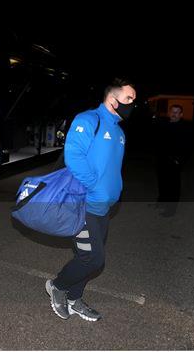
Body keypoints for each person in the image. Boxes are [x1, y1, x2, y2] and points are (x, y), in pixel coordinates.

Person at [46, 78, 136, 321]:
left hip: (103, 208)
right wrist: (95, 186)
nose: (132, 105)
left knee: (87, 258)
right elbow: (73, 156)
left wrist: (114, 190)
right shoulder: (88, 120)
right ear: (112, 99)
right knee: (94, 258)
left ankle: (75, 299)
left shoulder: (118, 132)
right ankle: (57, 286)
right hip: (83, 205)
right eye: (128, 99)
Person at [154, 104, 190, 216]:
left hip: (174, 162)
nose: (174, 114)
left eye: (176, 112)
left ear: (181, 114)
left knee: (173, 187)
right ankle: (162, 202)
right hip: (162, 160)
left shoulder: (184, 128)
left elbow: (188, 146)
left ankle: (171, 210)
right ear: (169, 113)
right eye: (172, 111)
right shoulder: (163, 125)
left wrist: (179, 160)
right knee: (162, 183)